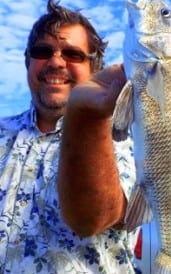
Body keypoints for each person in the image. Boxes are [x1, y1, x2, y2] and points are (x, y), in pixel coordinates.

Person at [0, 0, 139, 273]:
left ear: (95, 69)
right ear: (28, 62)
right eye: (43, 51)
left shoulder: (123, 139)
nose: (55, 61)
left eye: (73, 54)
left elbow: (93, 218)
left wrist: (85, 114)